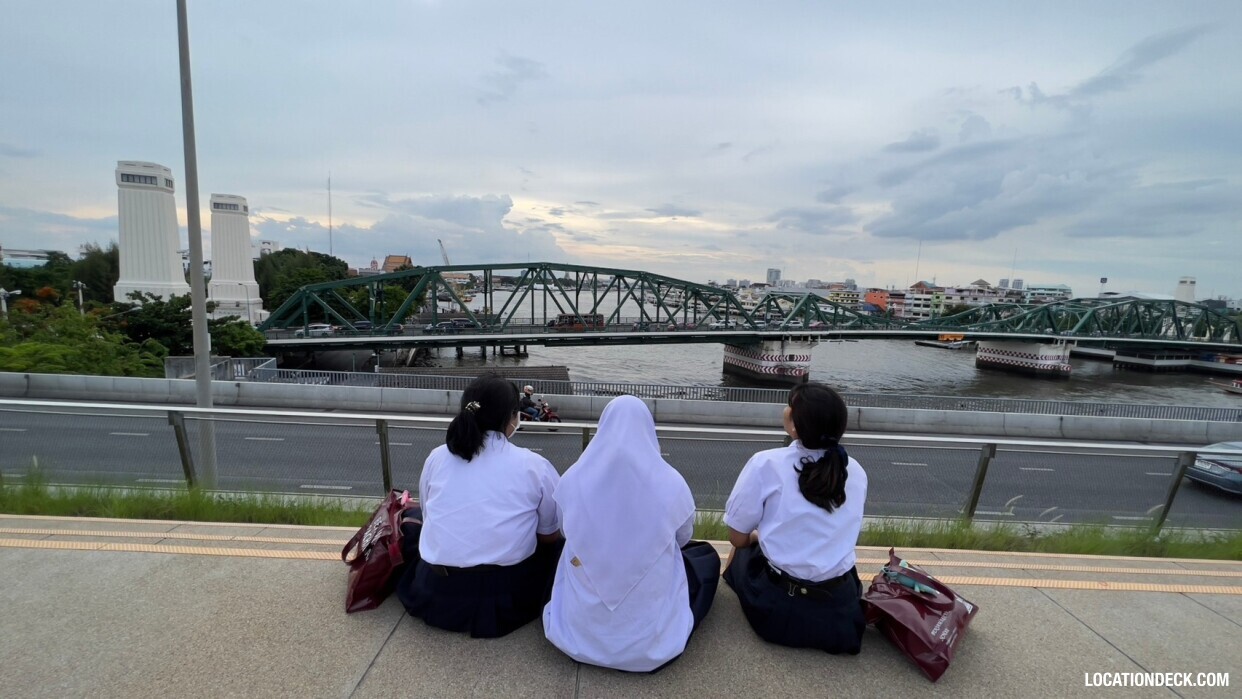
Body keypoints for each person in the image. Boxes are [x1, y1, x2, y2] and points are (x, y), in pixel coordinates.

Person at [543, 395, 720, 672]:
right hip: (652, 647)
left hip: (577, 637)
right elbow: (683, 539)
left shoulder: (574, 478)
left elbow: (566, 531)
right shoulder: (671, 482)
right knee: (704, 557)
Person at [396, 374, 563, 638]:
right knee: (558, 548)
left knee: (414, 522)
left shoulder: (437, 457)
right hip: (502, 599)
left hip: (433, 592)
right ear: (511, 417)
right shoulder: (534, 466)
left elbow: (430, 517)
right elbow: (549, 534)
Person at [722, 380, 868, 654]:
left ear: (793, 424)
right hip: (840, 614)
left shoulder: (766, 463)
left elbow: (737, 537)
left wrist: (757, 536)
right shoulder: (856, 471)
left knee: (743, 547)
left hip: (777, 612)